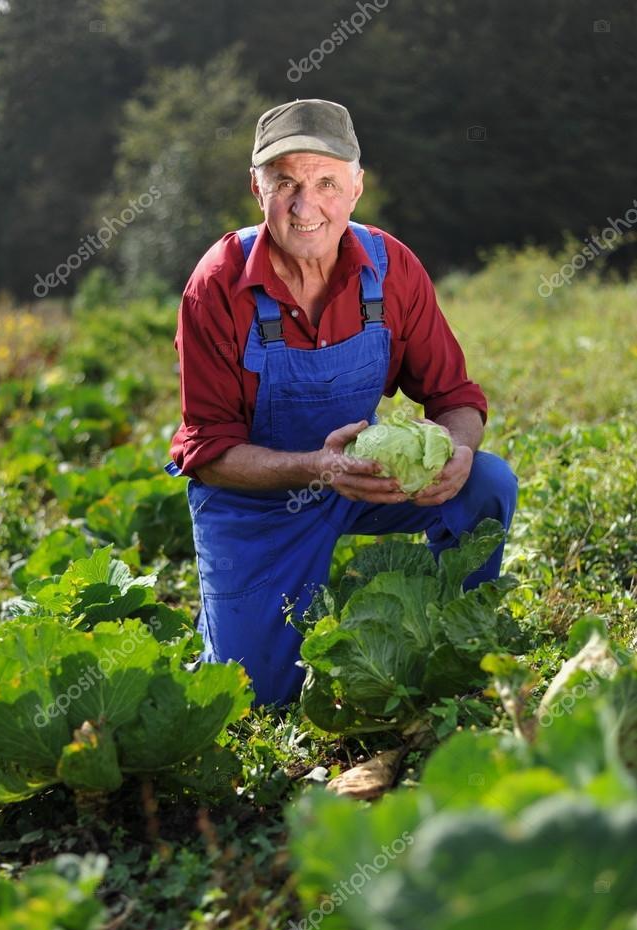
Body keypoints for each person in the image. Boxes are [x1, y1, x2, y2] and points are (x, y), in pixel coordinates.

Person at [165, 98, 517, 707]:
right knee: (258, 698)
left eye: (327, 182)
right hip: (256, 505)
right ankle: (236, 626)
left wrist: (459, 447)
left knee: (485, 484)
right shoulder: (219, 283)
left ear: (356, 187)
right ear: (257, 188)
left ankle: (460, 635)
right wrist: (316, 467)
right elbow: (207, 450)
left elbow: (453, 395)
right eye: (286, 184)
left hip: (363, 483)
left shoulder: (392, 268)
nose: (306, 206)